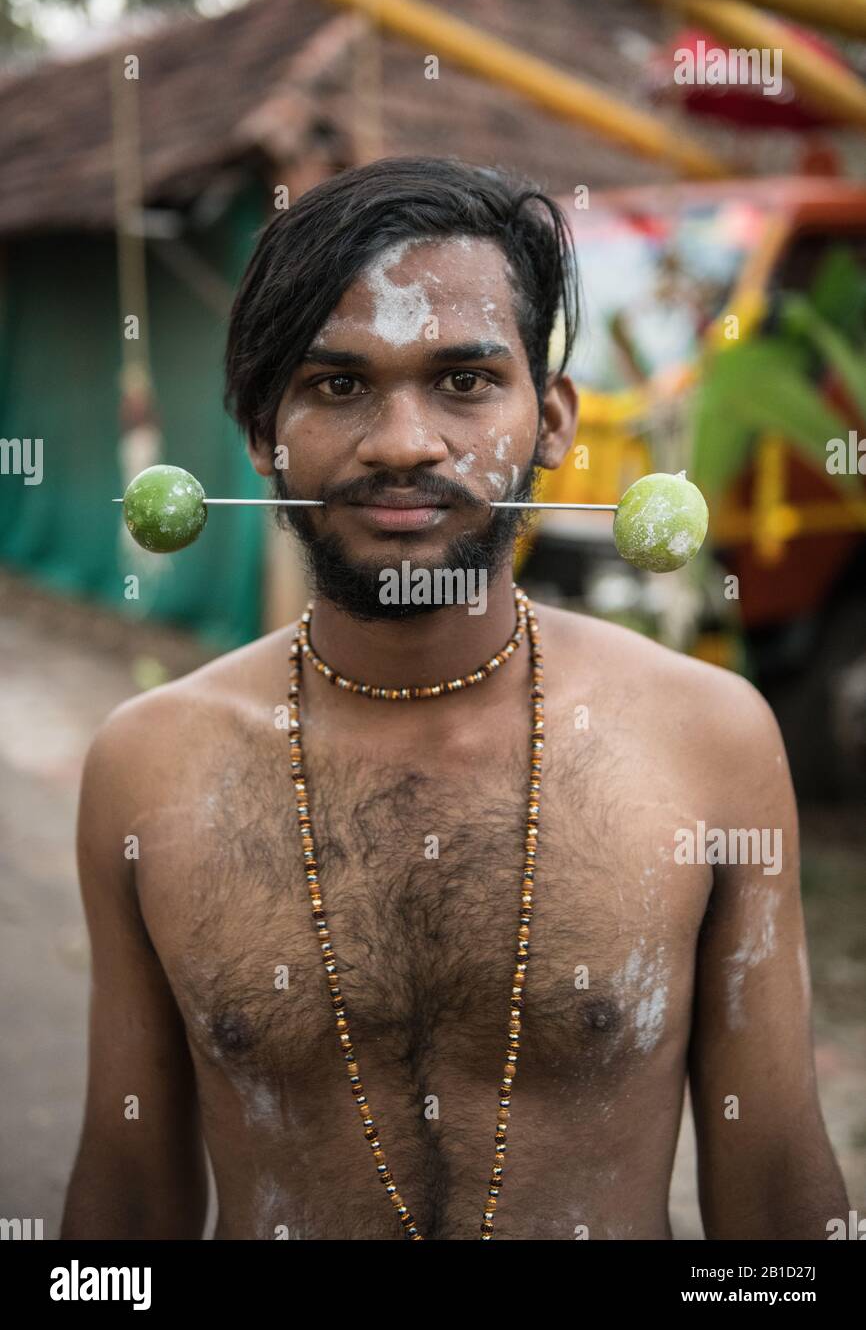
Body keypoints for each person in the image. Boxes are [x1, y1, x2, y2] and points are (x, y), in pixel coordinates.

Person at [61, 156, 846, 1240]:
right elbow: (126, 1185)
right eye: (337, 385)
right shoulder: (147, 766)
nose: (402, 444)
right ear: (258, 433)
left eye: (463, 381)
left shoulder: (708, 739)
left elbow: (773, 1184)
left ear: (554, 420)